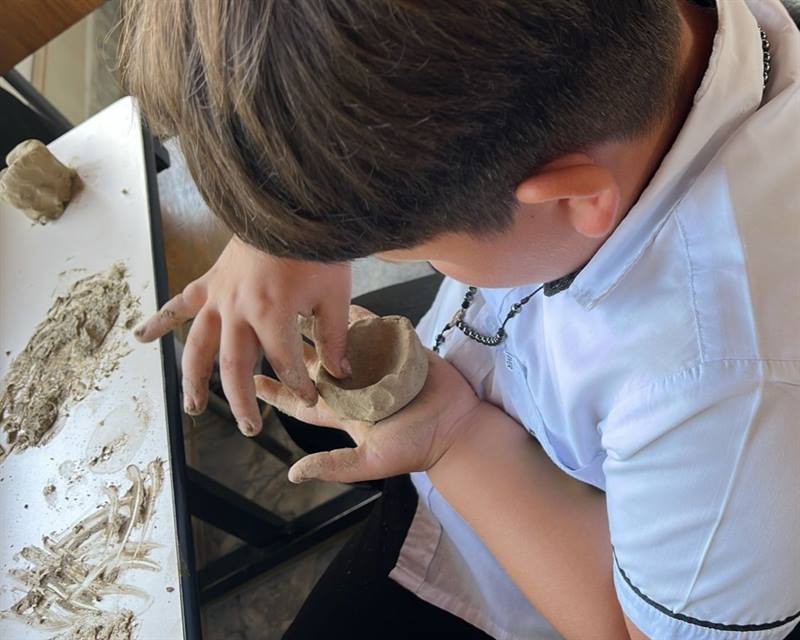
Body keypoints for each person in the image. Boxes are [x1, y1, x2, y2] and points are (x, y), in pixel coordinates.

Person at [119, 0, 800, 638]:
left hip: (546, 538)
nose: (363, 257)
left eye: (394, 245)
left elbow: (632, 627)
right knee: (303, 395)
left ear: (571, 199)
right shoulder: (652, 46)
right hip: (505, 373)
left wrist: (454, 439)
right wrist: (289, 225)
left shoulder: (726, 393)